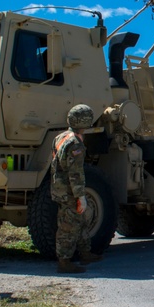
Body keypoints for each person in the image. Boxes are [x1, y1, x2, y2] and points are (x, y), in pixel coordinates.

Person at [51, 104, 102, 273]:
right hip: (69, 191)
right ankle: (64, 262)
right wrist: (80, 196)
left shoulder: (61, 137)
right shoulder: (76, 144)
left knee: (80, 221)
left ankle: (85, 253)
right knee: (68, 226)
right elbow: (75, 173)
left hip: (60, 188)